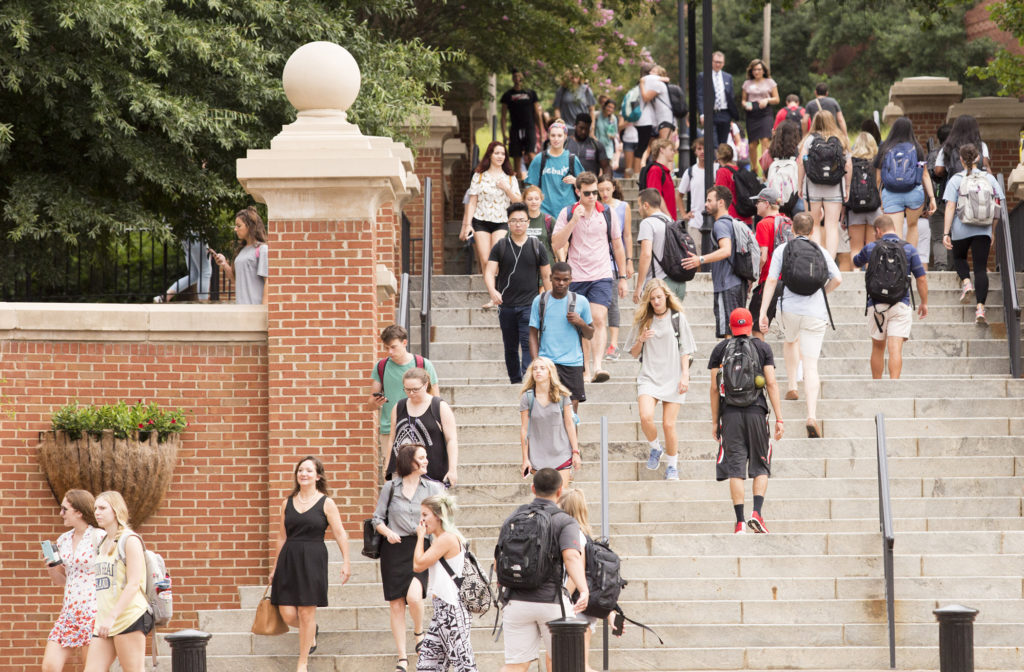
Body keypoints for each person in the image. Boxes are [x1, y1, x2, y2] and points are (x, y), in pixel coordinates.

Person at [757, 212, 842, 438]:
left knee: (790, 339)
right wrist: (823, 292)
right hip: (815, 312)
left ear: (792, 230)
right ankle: (811, 415)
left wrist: (764, 311)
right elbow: (838, 278)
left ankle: (792, 385)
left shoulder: (782, 250)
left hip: (790, 309)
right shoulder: (821, 251)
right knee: (811, 365)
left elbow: (772, 280)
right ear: (813, 231)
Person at [497, 469, 588, 672]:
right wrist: (583, 589)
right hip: (552, 602)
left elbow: (499, 559)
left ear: (532, 489)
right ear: (560, 491)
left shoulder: (515, 516)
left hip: (516, 602)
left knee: (515, 665)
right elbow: (572, 556)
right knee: (565, 663)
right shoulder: (565, 520)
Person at [269, 458, 351, 671]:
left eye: (308, 470)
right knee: (288, 614)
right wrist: (275, 566)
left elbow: (340, 533)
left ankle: (302, 662)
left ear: (318, 476)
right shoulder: (287, 503)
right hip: (289, 559)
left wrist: (346, 562)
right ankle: (311, 631)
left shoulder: (326, 503)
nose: (303, 474)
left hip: (313, 560)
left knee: (306, 613)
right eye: (300, 470)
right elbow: (281, 536)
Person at [708, 309, 784, 534]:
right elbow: (771, 383)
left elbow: (714, 388)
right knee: (760, 464)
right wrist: (779, 417)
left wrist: (715, 422)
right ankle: (757, 513)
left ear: (731, 328)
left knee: (736, 468)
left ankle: (740, 522)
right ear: (750, 326)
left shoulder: (720, 350)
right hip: (756, 412)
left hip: (730, 415)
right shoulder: (762, 347)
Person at [372, 444, 444, 672]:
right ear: (408, 462)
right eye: (421, 458)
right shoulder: (391, 487)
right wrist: (387, 532)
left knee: (414, 597)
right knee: (396, 605)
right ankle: (402, 657)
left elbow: (443, 520)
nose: (426, 461)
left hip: (420, 546)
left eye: (425, 457)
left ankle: (419, 632)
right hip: (394, 549)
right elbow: (376, 519)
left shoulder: (432, 488)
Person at [550, 172, 627, 383]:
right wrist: (574, 220)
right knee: (583, 323)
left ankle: (598, 366)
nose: (593, 196)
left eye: (595, 192)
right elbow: (556, 243)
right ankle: (584, 369)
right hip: (576, 276)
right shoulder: (567, 213)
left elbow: (618, 244)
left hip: (602, 274)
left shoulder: (607, 213)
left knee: (599, 318)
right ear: (577, 192)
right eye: (588, 193)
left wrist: (623, 276)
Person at [630, 279, 696, 481]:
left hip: (673, 376)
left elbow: (686, 349)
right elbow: (633, 353)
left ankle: (672, 466)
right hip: (649, 376)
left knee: (669, 424)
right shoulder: (644, 320)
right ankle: (655, 448)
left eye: (659, 297)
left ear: (666, 296)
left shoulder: (678, 318)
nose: (656, 301)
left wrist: (685, 375)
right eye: (652, 299)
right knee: (645, 416)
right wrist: (641, 339)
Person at [83, 491, 152, 672]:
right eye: (96, 508)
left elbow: (134, 584)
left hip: (128, 617)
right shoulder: (102, 543)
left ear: (116, 510)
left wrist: (113, 616)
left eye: (103, 508)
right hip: (104, 622)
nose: (97, 512)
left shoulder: (129, 540)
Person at [853, 215, 929, 379]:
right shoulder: (909, 249)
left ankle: (877, 385)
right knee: (895, 348)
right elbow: (921, 278)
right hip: (900, 303)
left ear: (878, 231)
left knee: (878, 347)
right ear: (894, 229)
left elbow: (856, 262)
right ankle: (894, 386)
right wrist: (924, 302)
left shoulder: (871, 247)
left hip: (876, 305)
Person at [485, 202, 552, 384]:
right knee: (510, 347)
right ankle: (515, 381)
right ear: (508, 223)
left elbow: (546, 275)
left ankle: (527, 380)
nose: (518, 224)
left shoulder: (537, 246)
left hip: (529, 305)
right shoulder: (501, 246)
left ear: (528, 223)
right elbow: (489, 272)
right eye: (514, 221)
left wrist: (550, 298)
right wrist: (493, 291)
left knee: (528, 343)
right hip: (506, 306)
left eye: (522, 220)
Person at [413, 494, 478, 672]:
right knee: (428, 663)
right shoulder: (440, 540)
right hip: (442, 609)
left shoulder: (447, 539)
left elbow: (418, 565)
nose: (422, 520)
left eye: (425, 515)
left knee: (463, 664)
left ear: (438, 515)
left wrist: (420, 537)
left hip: (452, 609)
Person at [942, 143, 1005, 325]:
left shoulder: (956, 179)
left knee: (960, 258)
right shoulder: (989, 179)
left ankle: (966, 283)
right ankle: (980, 309)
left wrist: (946, 232)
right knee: (980, 267)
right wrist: (992, 231)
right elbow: (998, 206)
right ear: (977, 158)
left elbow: (950, 206)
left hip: (961, 227)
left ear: (961, 160)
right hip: (983, 228)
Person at [44, 489, 103, 672]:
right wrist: (52, 568)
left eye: (64, 509)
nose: (60, 514)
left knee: (91, 668)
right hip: (69, 611)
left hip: (93, 610)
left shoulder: (99, 537)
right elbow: (62, 580)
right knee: (50, 666)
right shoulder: (63, 540)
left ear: (79, 512)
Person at [370, 325, 440, 472]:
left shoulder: (423, 364)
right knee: (394, 474)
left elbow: (436, 400)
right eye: (386, 347)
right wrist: (376, 402)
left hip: (421, 426)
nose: (389, 352)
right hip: (390, 429)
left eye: (393, 347)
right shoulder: (381, 367)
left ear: (404, 343)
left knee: (421, 472)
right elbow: (370, 405)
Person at [529, 262, 596, 413]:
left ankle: (572, 438)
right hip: (547, 363)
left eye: (565, 279)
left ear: (571, 279)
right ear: (551, 278)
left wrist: (580, 323)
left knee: (571, 413)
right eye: (557, 279)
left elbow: (590, 334)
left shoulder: (581, 302)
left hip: (573, 364)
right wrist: (536, 362)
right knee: (546, 410)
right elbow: (533, 333)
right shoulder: (539, 301)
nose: (561, 283)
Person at [681, 186, 747, 339]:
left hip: (726, 284)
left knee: (728, 332)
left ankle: (731, 362)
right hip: (736, 283)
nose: (706, 204)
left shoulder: (720, 224)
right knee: (737, 330)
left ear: (721, 202)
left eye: (709, 200)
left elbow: (726, 250)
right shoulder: (733, 223)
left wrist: (700, 259)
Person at [874, 117, 936, 268]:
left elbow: (878, 178)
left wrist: (881, 198)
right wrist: (932, 197)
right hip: (914, 193)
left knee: (894, 231)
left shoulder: (885, 148)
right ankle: (910, 262)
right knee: (913, 226)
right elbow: (925, 175)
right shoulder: (917, 148)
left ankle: (897, 264)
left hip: (891, 193)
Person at [460, 141, 522, 289]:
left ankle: (498, 291)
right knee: (485, 259)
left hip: (501, 221)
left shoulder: (510, 177)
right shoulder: (479, 176)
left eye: (503, 153)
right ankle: (491, 293)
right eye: (497, 153)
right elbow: (472, 201)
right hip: (480, 220)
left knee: (497, 258)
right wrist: (467, 224)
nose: (500, 156)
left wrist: (507, 189)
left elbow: (518, 201)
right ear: (490, 155)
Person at [387, 368, 459, 486]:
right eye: (407, 389)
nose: (411, 393)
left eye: (415, 389)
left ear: (425, 385)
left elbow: (451, 439)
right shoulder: (399, 406)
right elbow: (392, 439)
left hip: (432, 473)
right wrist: (388, 469)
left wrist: (452, 470)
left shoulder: (439, 406)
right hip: (403, 473)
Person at [519, 356, 580, 490]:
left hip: (561, 452)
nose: (538, 371)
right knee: (544, 500)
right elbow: (524, 429)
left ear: (550, 372)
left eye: (542, 368)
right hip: (537, 456)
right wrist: (525, 459)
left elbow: (570, 425)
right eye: (535, 368)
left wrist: (575, 452)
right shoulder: (527, 397)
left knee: (561, 495)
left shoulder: (562, 395)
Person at [798, 110, 852, 259]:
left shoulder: (808, 140)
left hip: (812, 187)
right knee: (832, 226)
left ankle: (817, 259)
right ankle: (830, 261)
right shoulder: (841, 139)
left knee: (814, 225)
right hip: (834, 188)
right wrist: (847, 187)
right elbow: (848, 165)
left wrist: (799, 184)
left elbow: (801, 164)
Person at [557, 489, 600, 672]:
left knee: (579, 664)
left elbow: (577, 572)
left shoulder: (576, 536)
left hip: (576, 604)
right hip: (580, 605)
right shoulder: (581, 534)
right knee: (568, 663)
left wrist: (561, 596)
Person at [597, 175, 633, 359]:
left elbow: (627, 235)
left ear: (613, 188)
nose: (604, 193)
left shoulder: (622, 207)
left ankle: (613, 344)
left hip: (614, 259)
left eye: (607, 189)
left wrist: (628, 261)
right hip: (598, 258)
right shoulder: (595, 206)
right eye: (600, 190)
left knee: (612, 301)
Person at [634, 188, 689, 303]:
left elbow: (646, 254)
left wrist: (639, 286)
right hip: (679, 283)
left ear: (646, 205)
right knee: (673, 320)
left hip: (659, 285)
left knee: (655, 321)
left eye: (639, 205)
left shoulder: (647, 223)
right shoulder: (671, 221)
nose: (639, 209)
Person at [525, 120, 586, 218]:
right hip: (545, 213)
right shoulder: (540, 159)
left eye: (559, 135)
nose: (556, 139)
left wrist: (576, 181)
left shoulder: (572, 159)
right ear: (548, 136)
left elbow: (586, 186)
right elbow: (532, 188)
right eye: (553, 136)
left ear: (565, 136)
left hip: (568, 212)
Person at [211, 206, 268, 305]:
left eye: (239, 226)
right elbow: (237, 280)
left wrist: (263, 311)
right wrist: (224, 264)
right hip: (241, 310)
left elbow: (268, 282)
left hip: (255, 310)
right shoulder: (241, 251)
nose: (235, 229)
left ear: (250, 226)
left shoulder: (262, 249)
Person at [748, 187, 785, 339]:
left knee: (756, 327)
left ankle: (763, 361)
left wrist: (752, 277)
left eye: (758, 202)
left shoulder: (763, 224)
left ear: (767, 204)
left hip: (769, 280)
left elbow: (762, 257)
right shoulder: (787, 221)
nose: (756, 205)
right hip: (787, 281)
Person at [500, 70, 545, 176]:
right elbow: (503, 116)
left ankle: (536, 180)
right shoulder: (508, 95)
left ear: (523, 78)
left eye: (519, 76)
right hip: (515, 129)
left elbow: (537, 114)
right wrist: (504, 134)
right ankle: (519, 183)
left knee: (531, 154)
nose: (517, 78)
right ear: (512, 78)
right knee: (517, 158)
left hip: (529, 128)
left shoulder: (530, 93)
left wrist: (542, 132)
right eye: (515, 76)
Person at [846, 132, 883, 261]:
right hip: (874, 207)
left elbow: (846, 187)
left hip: (855, 208)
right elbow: (879, 183)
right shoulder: (877, 162)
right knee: (871, 247)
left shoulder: (850, 162)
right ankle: (870, 276)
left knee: (855, 248)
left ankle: (855, 275)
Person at [740, 58, 780, 174]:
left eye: (759, 69)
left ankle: (765, 170)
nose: (756, 72)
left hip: (765, 112)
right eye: (754, 70)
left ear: (763, 70)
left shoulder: (770, 82)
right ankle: (754, 168)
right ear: (751, 71)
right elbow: (743, 101)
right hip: (752, 113)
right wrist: (747, 105)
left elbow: (777, 99)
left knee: (765, 140)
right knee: (752, 144)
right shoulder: (747, 84)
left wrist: (767, 100)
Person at [696, 51, 739, 150]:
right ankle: (714, 164)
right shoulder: (703, 76)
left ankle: (721, 164)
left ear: (723, 63)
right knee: (713, 142)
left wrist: (732, 114)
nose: (718, 64)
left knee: (723, 143)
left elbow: (730, 96)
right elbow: (700, 96)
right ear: (711, 62)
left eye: (720, 62)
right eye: (715, 62)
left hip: (725, 113)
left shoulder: (728, 77)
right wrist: (702, 114)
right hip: (710, 113)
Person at [762, 120, 803, 215]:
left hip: (774, 202)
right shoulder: (800, 153)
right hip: (796, 200)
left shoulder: (768, 154)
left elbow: (765, 174)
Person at [154, 236, 212, 303]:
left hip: (187, 237)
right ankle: (203, 303)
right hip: (197, 237)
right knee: (205, 272)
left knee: (194, 275)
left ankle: (164, 297)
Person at [934, 114, 992, 180]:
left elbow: (938, 171)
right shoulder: (981, 145)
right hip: (978, 184)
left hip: (956, 184)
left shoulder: (948, 147)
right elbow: (985, 166)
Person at [713, 144, 751, 226]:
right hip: (746, 218)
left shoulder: (722, 172)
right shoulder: (741, 170)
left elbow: (720, 196)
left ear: (718, 156)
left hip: (730, 218)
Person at [643, 138, 678, 220]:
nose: (673, 152)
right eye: (671, 149)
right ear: (661, 150)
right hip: (662, 220)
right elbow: (655, 195)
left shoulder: (664, 171)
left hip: (666, 220)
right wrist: (668, 216)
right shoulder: (655, 170)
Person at [523, 185, 557, 263]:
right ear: (524, 201)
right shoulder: (520, 221)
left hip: (546, 264)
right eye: (530, 199)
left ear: (541, 200)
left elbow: (559, 245)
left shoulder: (549, 220)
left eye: (537, 199)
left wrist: (561, 262)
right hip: (525, 264)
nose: (533, 202)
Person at [594, 99, 619, 172]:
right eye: (609, 107)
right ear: (604, 106)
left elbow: (615, 133)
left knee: (607, 170)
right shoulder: (597, 115)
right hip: (597, 146)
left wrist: (612, 134)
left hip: (608, 148)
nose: (610, 109)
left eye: (612, 108)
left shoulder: (613, 118)